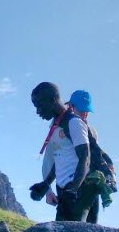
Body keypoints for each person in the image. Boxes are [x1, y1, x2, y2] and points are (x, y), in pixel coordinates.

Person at [29, 82, 94, 221]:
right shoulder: (55, 125)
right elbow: (60, 158)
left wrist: (74, 189)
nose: (38, 111)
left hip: (80, 189)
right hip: (65, 191)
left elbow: (85, 157)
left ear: (52, 100)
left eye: (39, 106)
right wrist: (46, 184)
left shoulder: (74, 122)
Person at [66, 89, 114, 224]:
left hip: (89, 178)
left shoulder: (87, 128)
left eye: (87, 110)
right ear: (72, 107)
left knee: (85, 220)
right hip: (85, 178)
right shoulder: (69, 124)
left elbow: (92, 154)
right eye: (82, 110)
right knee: (85, 220)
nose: (85, 113)